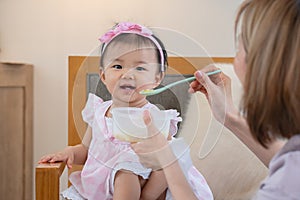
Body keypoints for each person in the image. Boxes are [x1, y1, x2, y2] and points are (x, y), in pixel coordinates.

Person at [132, 0, 300, 199]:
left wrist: (168, 160)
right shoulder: (291, 165)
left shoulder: (282, 187)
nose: (235, 58)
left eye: (241, 46)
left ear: (264, 67)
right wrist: (228, 116)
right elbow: (287, 159)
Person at [39, 22, 213, 200]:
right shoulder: (99, 111)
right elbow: (86, 149)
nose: (127, 74)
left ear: (157, 78)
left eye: (139, 68)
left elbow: (170, 162)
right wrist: (69, 153)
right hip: (101, 189)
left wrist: (148, 194)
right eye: (117, 66)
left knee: (126, 173)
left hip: (147, 189)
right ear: (103, 75)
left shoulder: (153, 118)